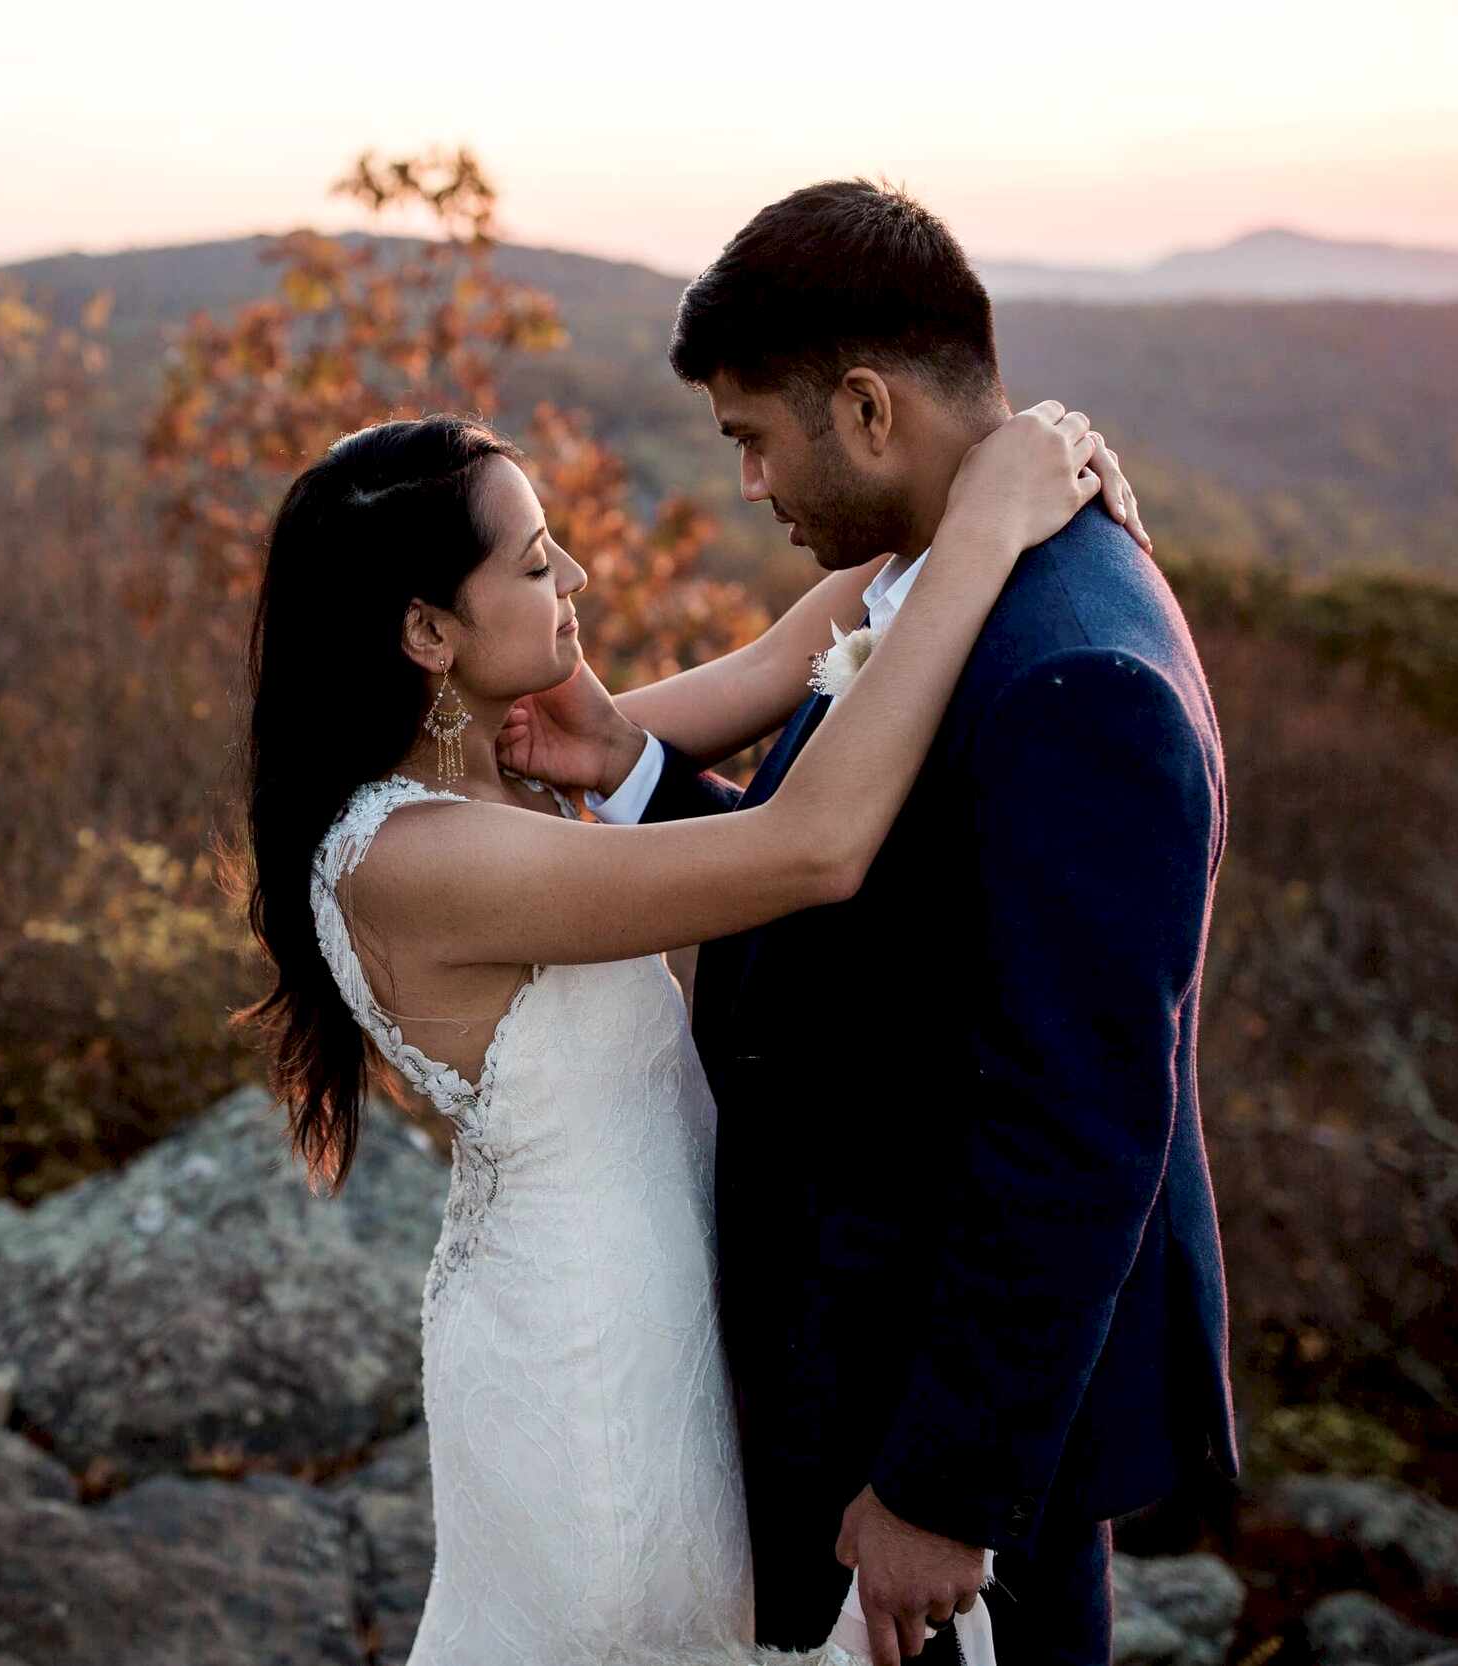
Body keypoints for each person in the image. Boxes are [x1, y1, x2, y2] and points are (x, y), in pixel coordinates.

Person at [239, 385, 1135, 1662]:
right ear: (430, 632)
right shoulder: (410, 858)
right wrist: (986, 533)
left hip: (673, 1285)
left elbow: (799, 652)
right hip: (593, 1347)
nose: (580, 577)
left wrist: (994, 461)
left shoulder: (500, 768)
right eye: (539, 562)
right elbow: (809, 847)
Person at [504, 179, 1238, 1666]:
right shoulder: (937, 581)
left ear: (865, 407)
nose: (752, 483)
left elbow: (1076, 1126)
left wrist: (940, 1485)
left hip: (957, 1410)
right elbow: (860, 917)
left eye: (754, 439)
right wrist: (633, 771)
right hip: (856, 1336)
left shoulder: (1071, 672)